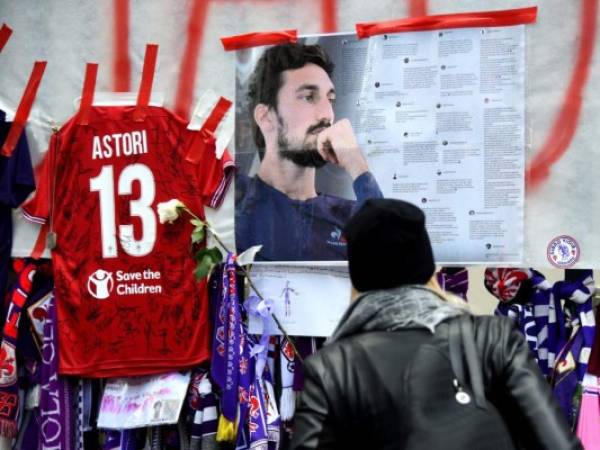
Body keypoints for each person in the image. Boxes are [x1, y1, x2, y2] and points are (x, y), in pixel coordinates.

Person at [291, 198, 582, 450]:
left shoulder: (332, 367)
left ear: (358, 279)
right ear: (428, 269)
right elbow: (555, 443)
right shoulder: (493, 340)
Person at [235, 43, 382, 261]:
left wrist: (357, 164)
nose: (327, 114)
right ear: (266, 117)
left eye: (330, 99)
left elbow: (394, 268)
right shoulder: (235, 199)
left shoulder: (351, 217)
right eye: (308, 97)